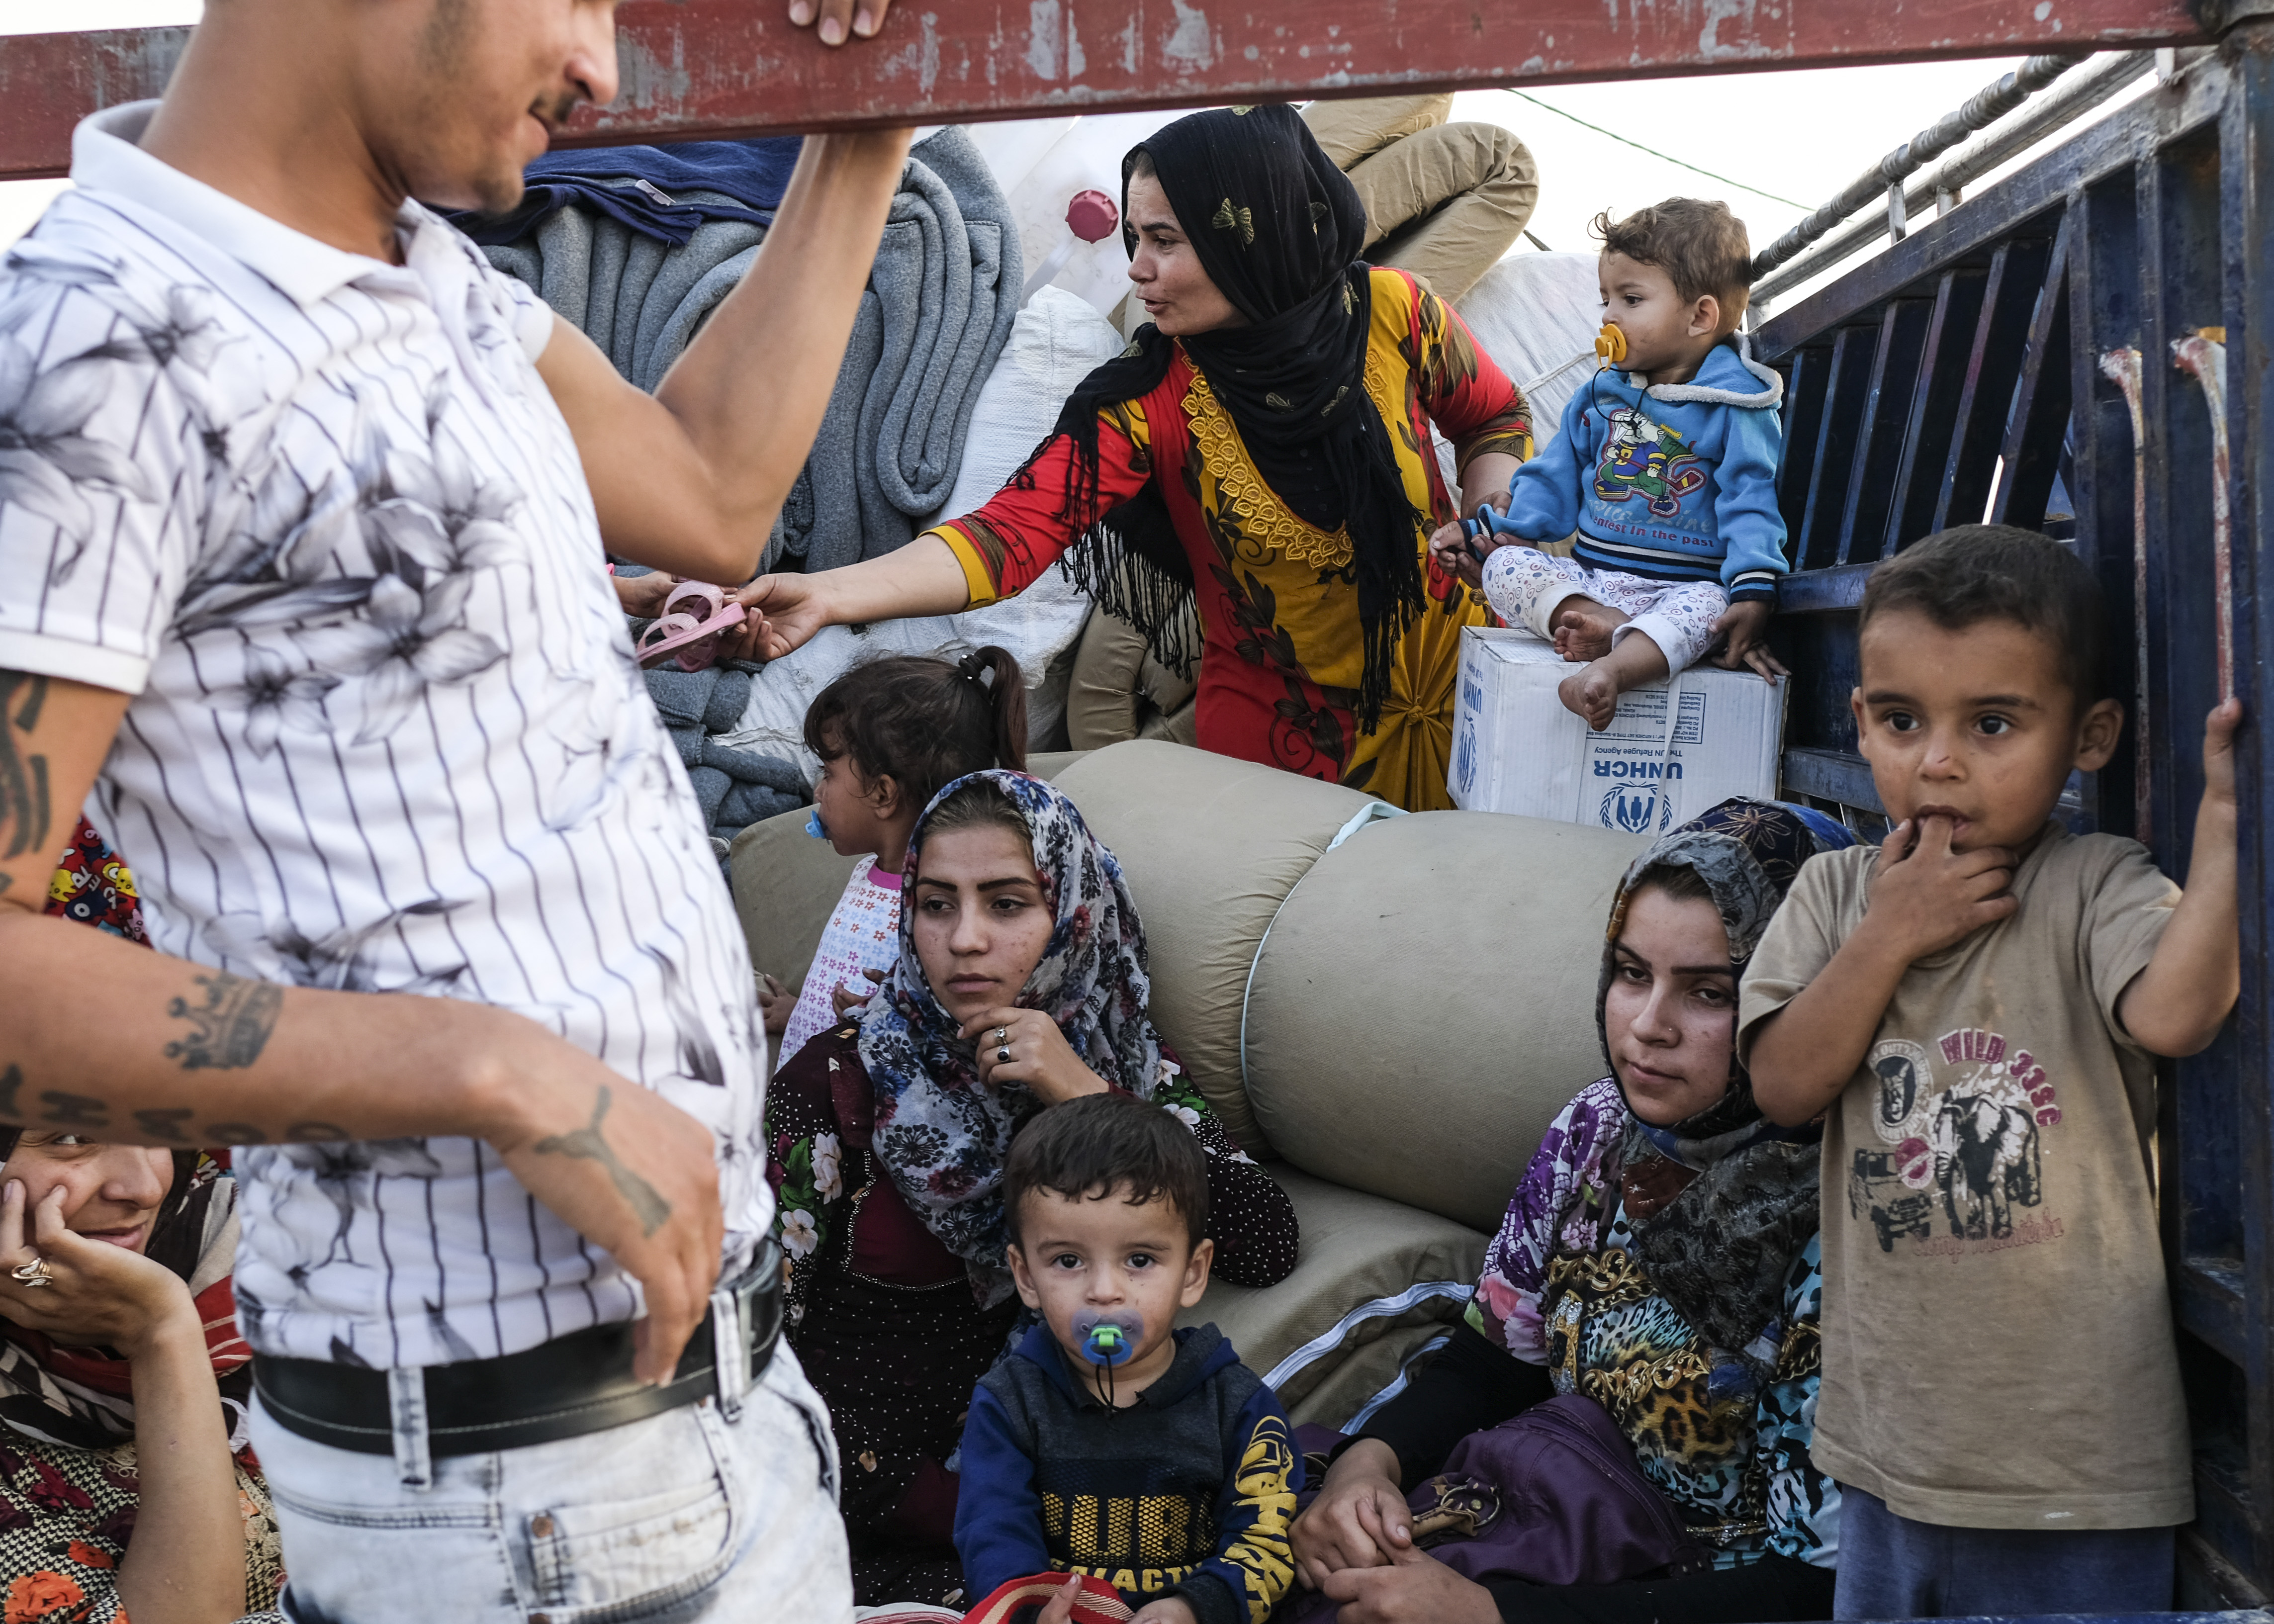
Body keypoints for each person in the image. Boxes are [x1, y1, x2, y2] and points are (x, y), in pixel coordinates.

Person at [0, 0, 912, 1614]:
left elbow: (711, 491)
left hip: (725, 1389)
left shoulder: (437, 283)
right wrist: (495, 1072)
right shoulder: (101, 345)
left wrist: (871, 120)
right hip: (516, 1484)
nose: (604, 67)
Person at [734, 104, 1534, 812]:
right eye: (1132, 238)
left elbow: (1493, 414)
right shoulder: (1143, 403)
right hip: (1289, 765)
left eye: (1164, 241)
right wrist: (829, 595)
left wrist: (1491, 517)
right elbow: (1005, 539)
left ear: (1243, 236)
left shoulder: (1393, 312)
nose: (1135, 269)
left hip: (1481, 693)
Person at [1743, 526, 2243, 1618]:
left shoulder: (2093, 882)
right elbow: (1783, 1085)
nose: (1939, 761)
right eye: (1901, 719)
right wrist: (1888, 935)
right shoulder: (1832, 896)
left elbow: (2177, 1012)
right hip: (1887, 1454)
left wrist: (2225, 834)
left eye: (1994, 723)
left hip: (2079, 1469)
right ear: (1860, 718)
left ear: (2090, 735)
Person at [1291, 798, 1847, 1624]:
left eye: (1707, 993)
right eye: (1630, 973)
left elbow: (1821, 1587)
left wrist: (1490, 1615)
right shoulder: (1594, 1133)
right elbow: (1492, 1361)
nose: (1647, 1027)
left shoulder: (1853, 1224)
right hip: (1529, 1527)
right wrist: (1364, 1468)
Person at [764, 770, 1299, 1609]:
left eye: (1006, 904)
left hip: (1081, 1507)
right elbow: (746, 1345)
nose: (965, 939)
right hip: (864, 1508)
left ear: (1074, 914)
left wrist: (1084, 1094)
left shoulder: (1124, 1064)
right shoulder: (840, 1083)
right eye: (936, 905)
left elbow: (1264, 1243)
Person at [1433, 199, 1787, 731]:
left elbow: (1749, 498)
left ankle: (1612, 670)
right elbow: (1548, 484)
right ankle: (1602, 625)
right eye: (1606, 300)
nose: (1607, 316)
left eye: (1631, 298)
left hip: (1680, 589)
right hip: (1592, 583)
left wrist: (1753, 590)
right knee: (1505, 568)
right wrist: (1485, 530)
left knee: (1709, 608)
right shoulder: (1599, 396)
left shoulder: (1734, 406)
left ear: (1700, 316)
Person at [954, 1092, 1301, 1624]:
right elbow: (992, 1532)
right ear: (1025, 1276)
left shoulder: (1239, 1407)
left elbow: (1266, 1540)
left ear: (1192, 1271)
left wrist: (1193, 1607)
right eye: (1067, 1260)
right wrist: (1028, 1611)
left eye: (1140, 1259)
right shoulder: (1009, 1402)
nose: (1104, 1291)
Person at [770, 646, 1029, 1059]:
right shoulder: (867, 871)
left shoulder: (943, 908)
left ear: (882, 793)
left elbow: (936, 1028)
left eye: (827, 773)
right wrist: (803, 1011)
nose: (818, 792)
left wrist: (877, 1017)